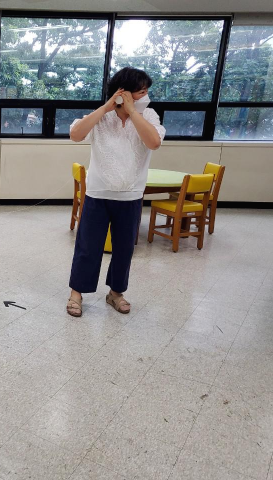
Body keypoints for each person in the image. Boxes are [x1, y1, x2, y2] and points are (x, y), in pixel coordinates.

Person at [66, 67, 166, 317]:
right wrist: (106, 108)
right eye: (140, 92)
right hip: (98, 194)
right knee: (88, 247)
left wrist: (132, 112)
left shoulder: (149, 115)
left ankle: (116, 293)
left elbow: (154, 142)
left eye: (146, 92)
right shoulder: (102, 116)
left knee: (124, 249)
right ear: (123, 93)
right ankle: (76, 293)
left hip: (130, 196)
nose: (145, 96)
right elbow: (75, 135)